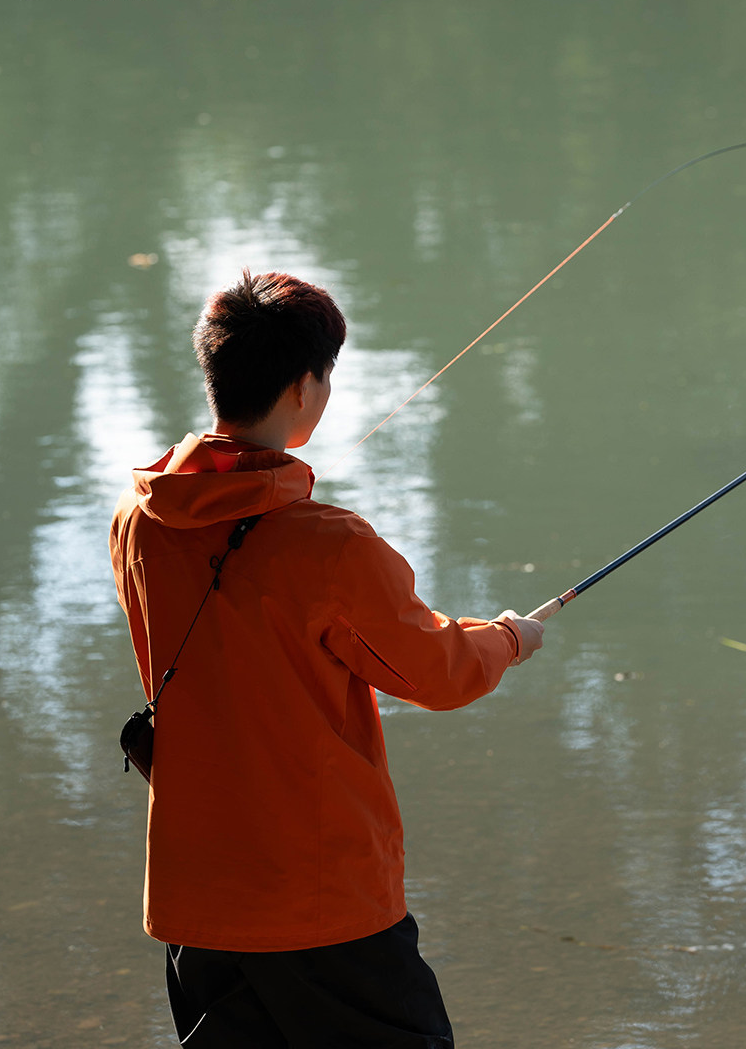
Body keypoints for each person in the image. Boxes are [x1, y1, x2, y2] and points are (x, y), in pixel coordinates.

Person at [109, 269, 544, 1047]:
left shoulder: (137, 523)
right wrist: (510, 637)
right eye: (328, 376)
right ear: (305, 388)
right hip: (319, 897)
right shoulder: (328, 543)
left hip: (198, 890)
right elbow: (438, 673)